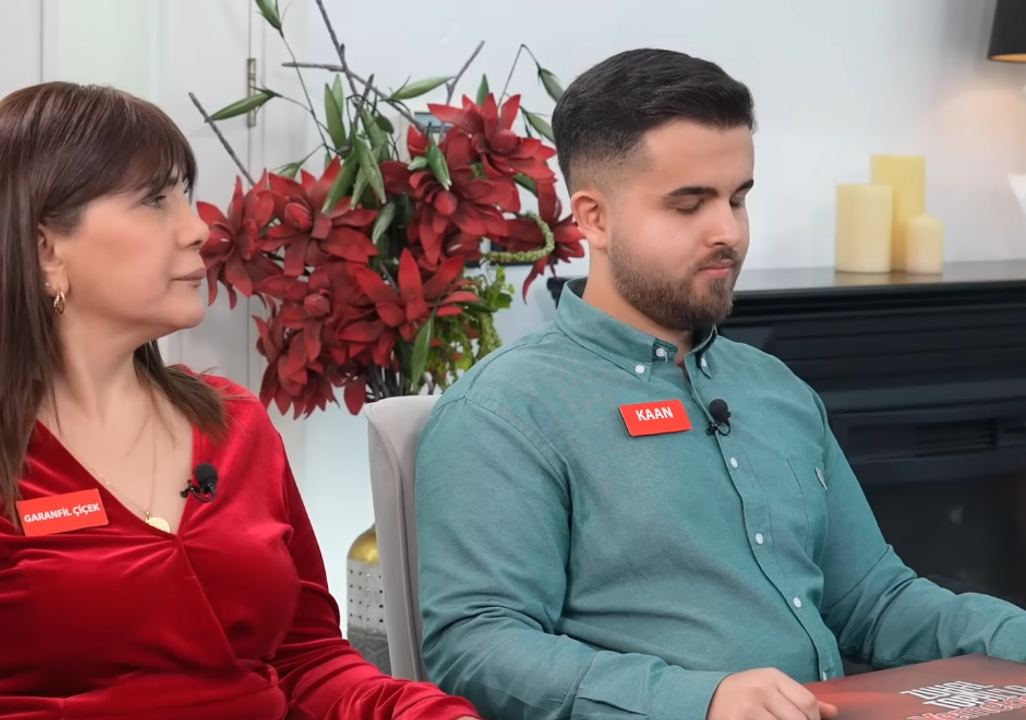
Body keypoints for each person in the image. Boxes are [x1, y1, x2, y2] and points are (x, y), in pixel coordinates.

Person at [0, 81, 480, 720]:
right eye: (155, 200)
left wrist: (425, 712)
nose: (197, 229)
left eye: (184, 197)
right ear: (46, 250)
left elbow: (308, 661)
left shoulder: (238, 426)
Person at [413, 48, 1026, 720]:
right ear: (594, 218)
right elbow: (477, 647)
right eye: (689, 205)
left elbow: (874, 601)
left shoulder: (777, 389)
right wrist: (698, 700)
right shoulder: (506, 410)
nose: (728, 232)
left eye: (737, 198)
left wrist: (1013, 636)